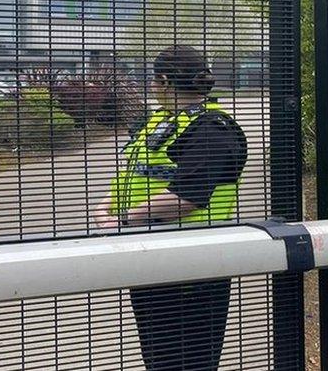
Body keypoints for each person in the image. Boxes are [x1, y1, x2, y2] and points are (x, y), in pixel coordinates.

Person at [94, 44, 248, 371]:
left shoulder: (211, 128)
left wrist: (122, 218)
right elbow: (132, 170)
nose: (151, 86)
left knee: (189, 361)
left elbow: (187, 198)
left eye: (154, 80)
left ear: (163, 80)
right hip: (151, 259)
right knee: (157, 357)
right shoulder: (159, 121)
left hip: (195, 269)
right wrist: (106, 205)